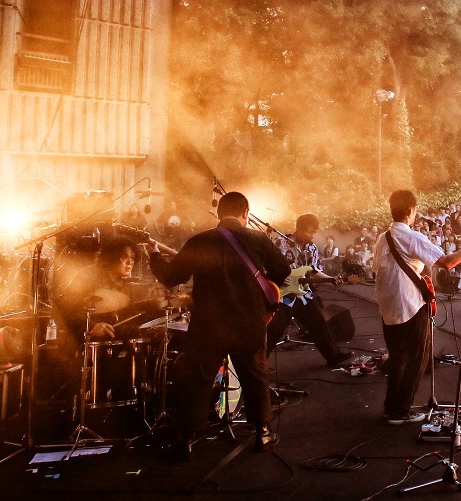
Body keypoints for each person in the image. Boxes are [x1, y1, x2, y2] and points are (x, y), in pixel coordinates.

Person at [149, 192, 291, 455]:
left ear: (218, 213)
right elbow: (283, 269)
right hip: (248, 321)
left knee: (198, 378)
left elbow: (170, 276)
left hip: (208, 325)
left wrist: (154, 255)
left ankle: (186, 439)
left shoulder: (200, 241)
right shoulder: (258, 239)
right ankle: (263, 433)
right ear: (246, 213)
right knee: (255, 374)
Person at [374, 190, 461, 425]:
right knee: (417, 358)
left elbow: (379, 269)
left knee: (397, 357)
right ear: (411, 211)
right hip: (410, 305)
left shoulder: (383, 238)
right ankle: (401, 410)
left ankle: (392, 408)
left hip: (387, 305)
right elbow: (448, 263)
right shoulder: (412, 237)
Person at [266, 214, 348, 366]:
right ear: (299, 229)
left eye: (314, 232)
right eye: (310, 232)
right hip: (283, 296)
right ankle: (258, 364)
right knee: (273, 331)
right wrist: (277, 275)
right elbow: (267, 264)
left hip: (303, 295)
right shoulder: (281, 242)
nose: (312, 235)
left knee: (319, 324)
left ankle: (333, 356)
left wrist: (330, 279)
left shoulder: (312, 247)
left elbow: (314, 270)